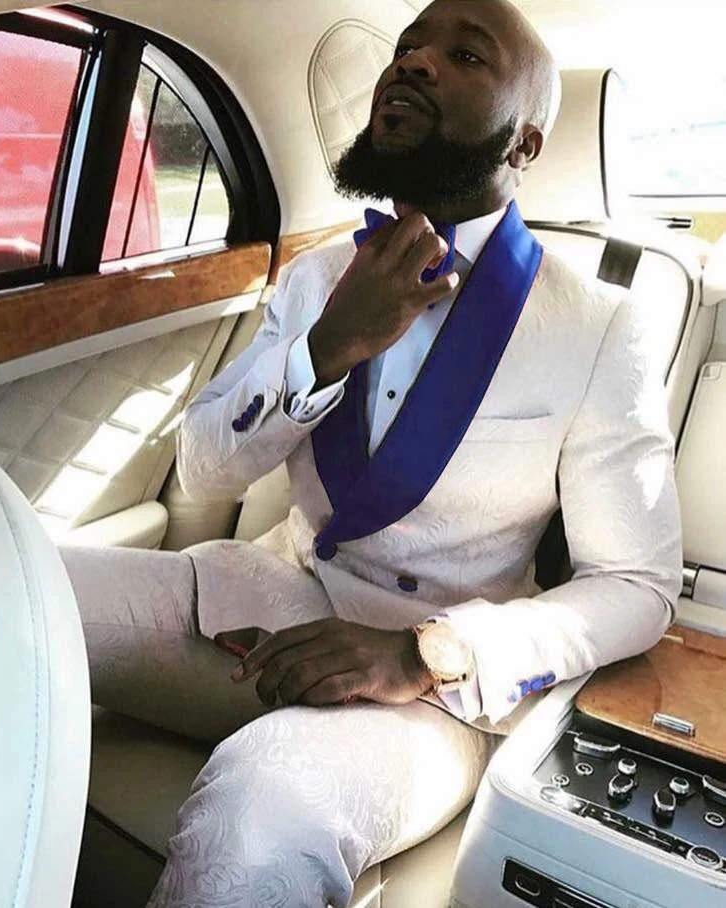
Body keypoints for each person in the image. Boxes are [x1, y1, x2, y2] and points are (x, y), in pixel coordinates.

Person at [64, 0, 682, 904]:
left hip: (431, 689)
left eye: (465, 55)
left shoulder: (598, 324)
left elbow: (636, 585)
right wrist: (325, 349)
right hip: (266, 601)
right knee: (1, 590)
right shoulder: (318, 276)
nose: (414, 62)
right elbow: (203, 469)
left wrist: (427, 652)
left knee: (257, 815)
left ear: (525, 144)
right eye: (408, 46)